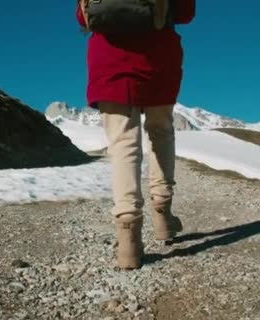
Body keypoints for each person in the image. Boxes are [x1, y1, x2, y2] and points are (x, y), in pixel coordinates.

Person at [76, 0, 196, 269]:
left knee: (123, 144)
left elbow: (84, 19)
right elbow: (187, 13)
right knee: (161, 132)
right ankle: (163, 213)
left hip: (109, 59)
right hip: (158, 59)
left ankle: (128, 236)